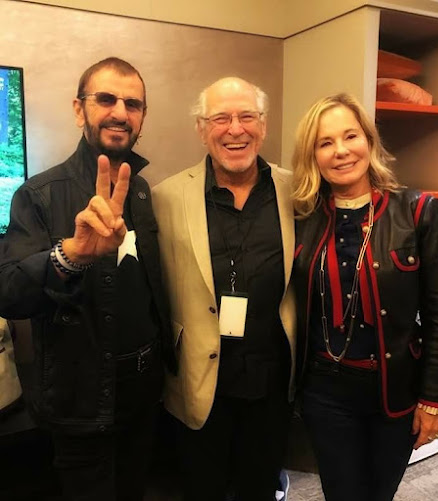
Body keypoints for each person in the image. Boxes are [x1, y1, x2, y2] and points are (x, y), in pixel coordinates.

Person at [0, 57, 175, 501]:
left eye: (132, 103)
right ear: (79, 109)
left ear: (142, 117)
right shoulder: (38, 195)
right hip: (83, 401)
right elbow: (9, 293)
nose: (120, 112)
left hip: (144, 395)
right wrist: (70, 255)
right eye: (106, 99)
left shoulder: (140, 189)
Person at [291, 92, 438, 501]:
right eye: (325, 142)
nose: (341, 151)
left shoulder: (417, 211)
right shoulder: (302, 220)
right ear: (313, 156)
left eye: (351, 136)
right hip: (324, 392)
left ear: (369, 140)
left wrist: (436, 400)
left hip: (394, 389)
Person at [151, 77, 296, 501]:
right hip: (200, 383)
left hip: (272, 381)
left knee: (260, 488)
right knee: (202, 489)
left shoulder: (297, 190)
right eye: (220, 118)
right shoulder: (164, 197)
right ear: (201, 128)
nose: (235, 129)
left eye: (247, 116)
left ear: (263, 125)